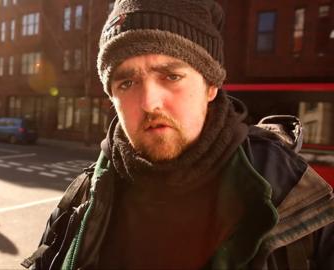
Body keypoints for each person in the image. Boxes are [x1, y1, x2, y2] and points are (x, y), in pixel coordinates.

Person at [23, 0, 334, 269]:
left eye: (171, 76)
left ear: (211, 86)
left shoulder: (296, 200)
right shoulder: (80, 202)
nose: (148, 102)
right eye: (126, 83)